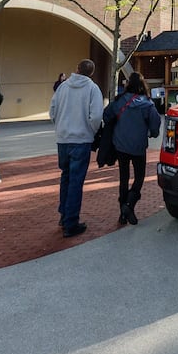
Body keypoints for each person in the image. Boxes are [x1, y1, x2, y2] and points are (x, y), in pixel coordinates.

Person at [50, 59, 103, 238]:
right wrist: (91, 131)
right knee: (75, 181)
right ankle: (71, 222)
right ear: (91, 72)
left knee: (65, 177)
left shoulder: (63, 87)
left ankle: (64, 215)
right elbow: (96, 116)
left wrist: (60, 127)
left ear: (76, 69)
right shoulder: (92, 89)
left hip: (63, 139)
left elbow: (52, 110)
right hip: (81, 140)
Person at [102, 72, 162, 226]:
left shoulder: (119, 101)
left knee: (124, 178)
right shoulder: (147, 104)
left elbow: (107, 115)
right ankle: (129, 205)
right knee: (139, 177)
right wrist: (152, 133)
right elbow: (155, 126)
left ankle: (123, 210)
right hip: (138, 145)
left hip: (120, 144)